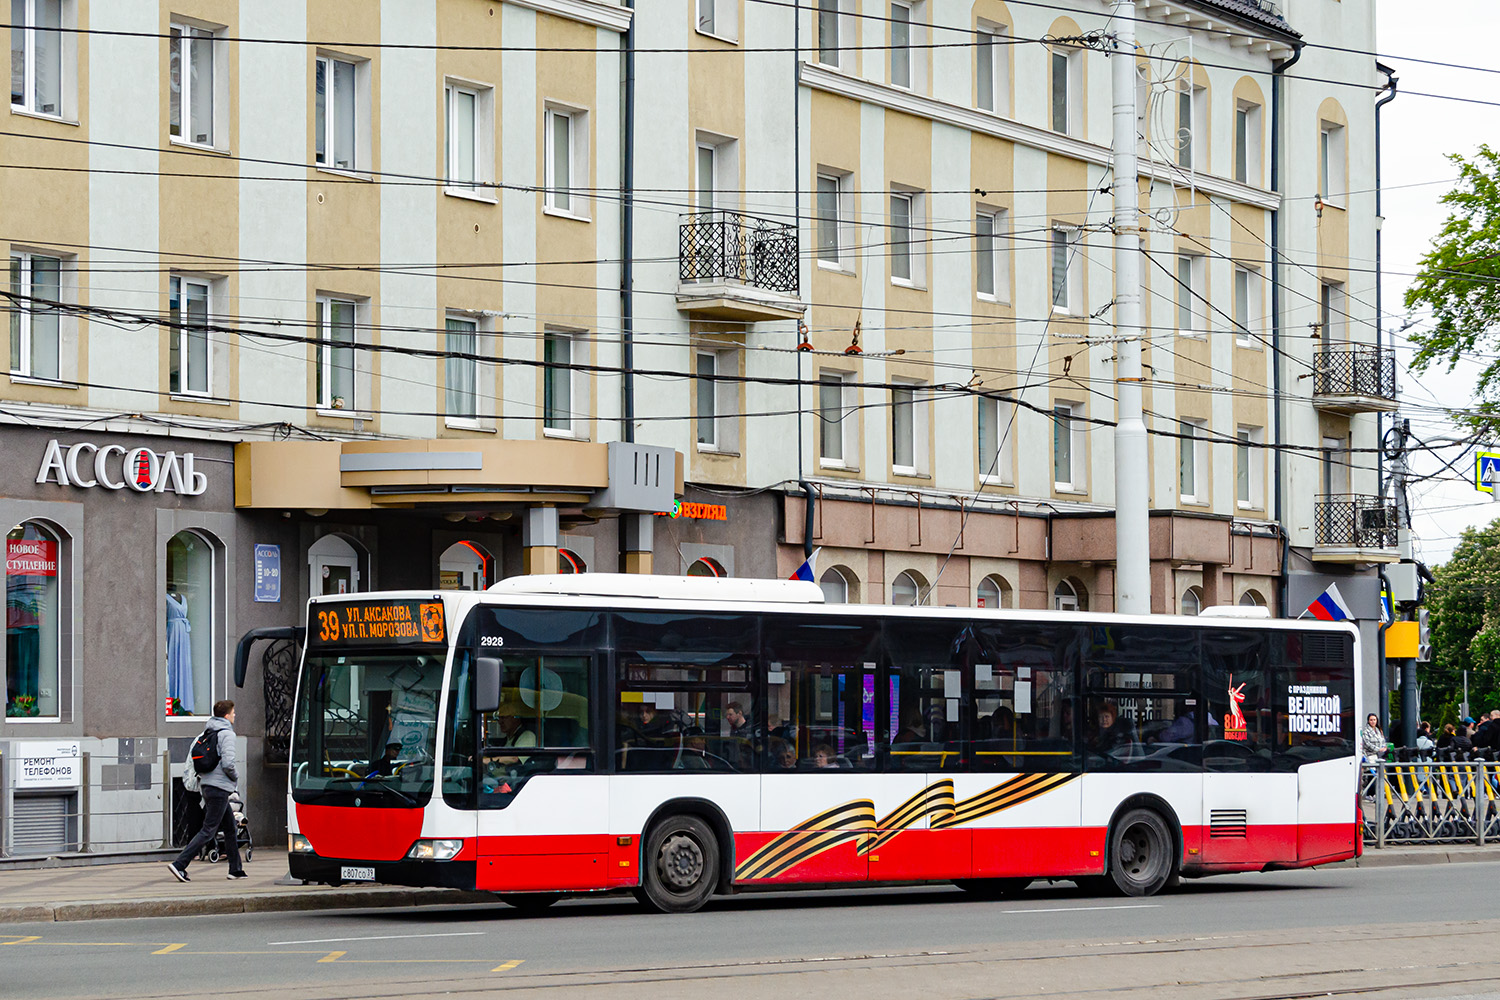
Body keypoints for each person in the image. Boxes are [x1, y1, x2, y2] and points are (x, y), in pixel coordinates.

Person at [169, 700, 245, 883]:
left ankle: (235, 869)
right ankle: (180, 864)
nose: (234, 715)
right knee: (209, 830)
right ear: (226, 715)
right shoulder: (227, 734)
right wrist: (235, 777)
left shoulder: (208, 732)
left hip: (207, 785)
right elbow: (228, 764)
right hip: (219, 788)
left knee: (230, 827)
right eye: (233, 713)